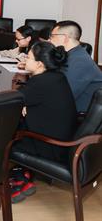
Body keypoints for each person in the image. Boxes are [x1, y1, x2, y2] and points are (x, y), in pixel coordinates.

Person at [11, 41, 77, 202]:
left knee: (1, 133)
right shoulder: (57, 77)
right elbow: (24, 99)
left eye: (29, 57)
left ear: (40, 64)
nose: (25, 60)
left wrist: (23, 104)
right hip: (61, 141)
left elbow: (13, 100)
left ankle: (10, 178)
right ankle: (22, 175)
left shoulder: (40, 82)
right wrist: (24, 105)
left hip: (49, 145)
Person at [49, 20, 102, 114]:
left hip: (79, 115)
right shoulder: (73, 55)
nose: (49, 40)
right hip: (69, 109)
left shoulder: (79, 61)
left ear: (65, 38)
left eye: (52, 36)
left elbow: (62, 95)